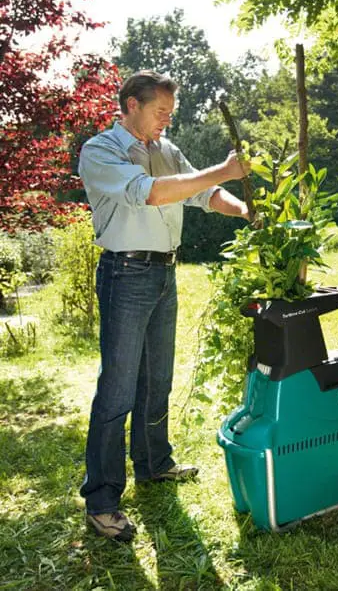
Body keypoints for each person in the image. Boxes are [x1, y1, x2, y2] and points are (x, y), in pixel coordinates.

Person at [78, 70, 251, 542]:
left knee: (158, 380)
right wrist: (224, 168)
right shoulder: (101, 151)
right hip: (124, 274)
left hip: (163, 273)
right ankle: (102, 499)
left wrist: (246, 209)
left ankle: (154, 464)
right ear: (131, 104)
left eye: (171, 115)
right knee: (117, 392)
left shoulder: (166, 151)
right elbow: (150, 193)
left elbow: (203, 192)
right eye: (160, 113)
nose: (166, 123)